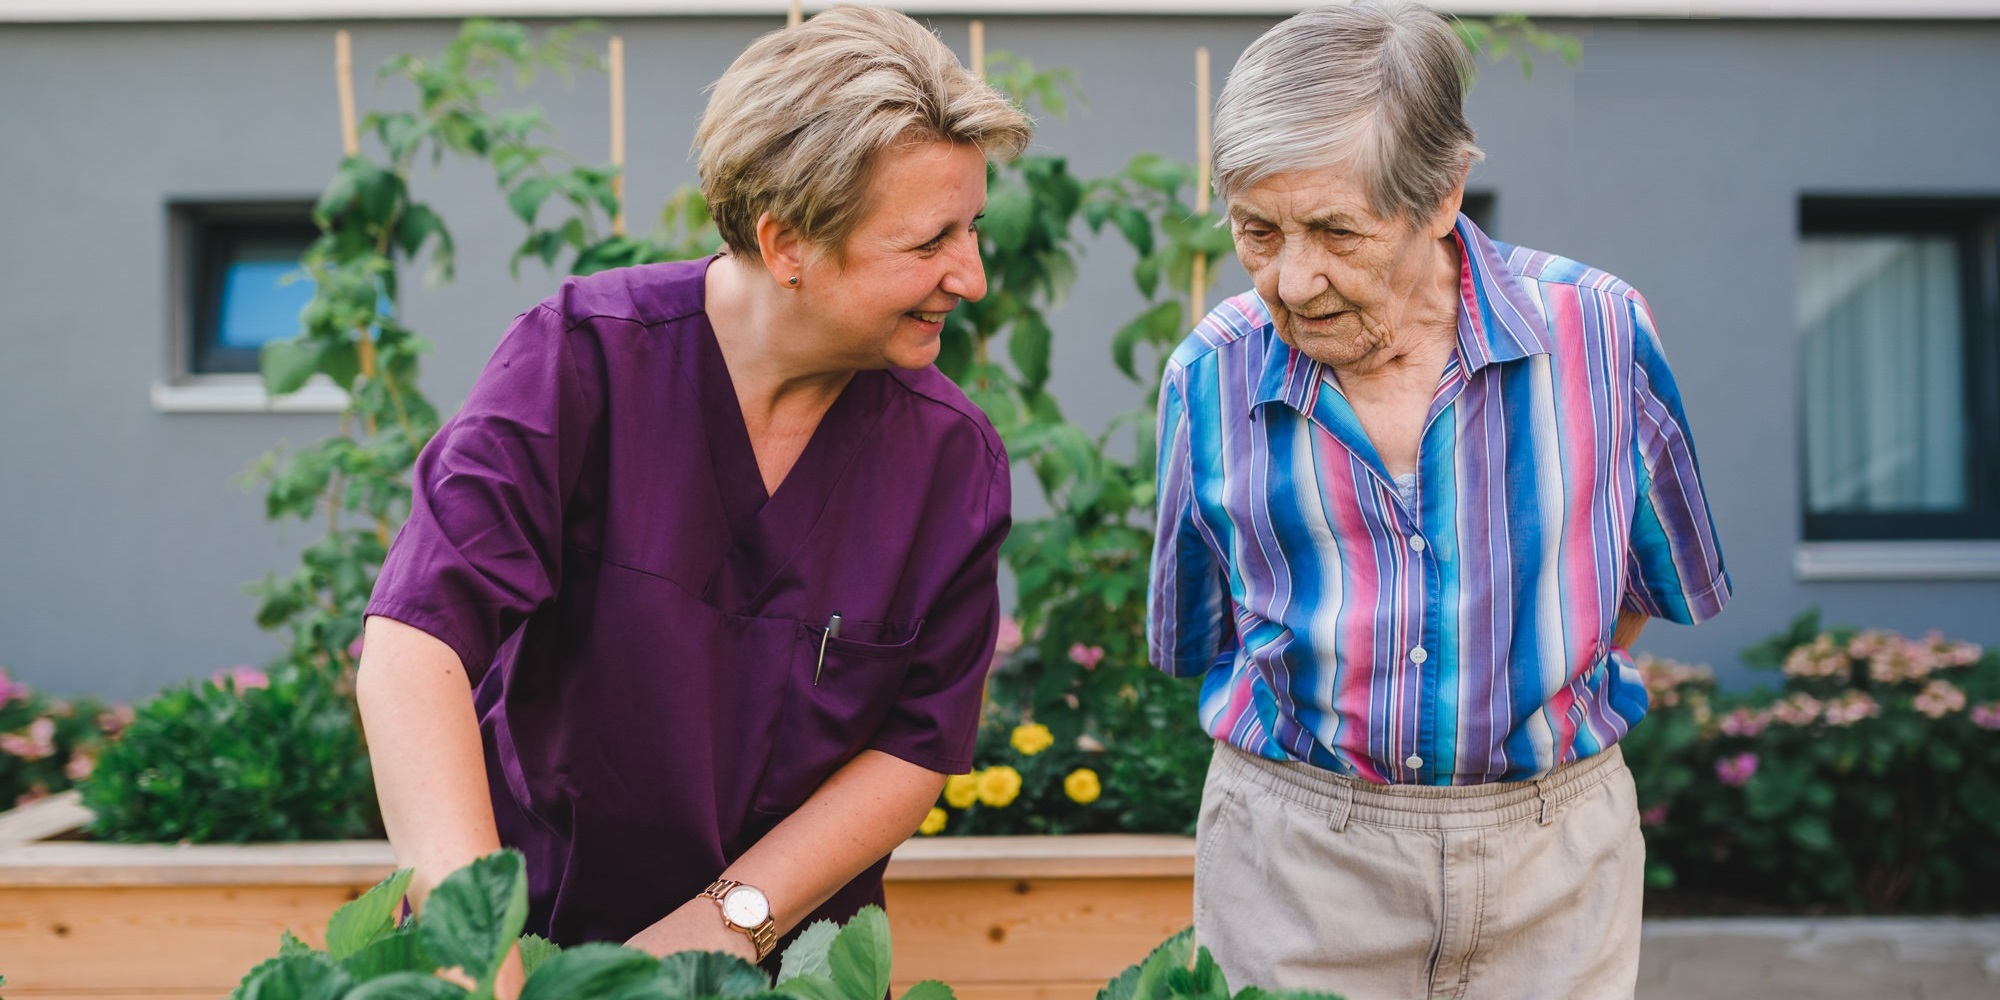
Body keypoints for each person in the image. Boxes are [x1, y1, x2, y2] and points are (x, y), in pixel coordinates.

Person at [355, 5, 1030, 985]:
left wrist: (708, 939)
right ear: (787, 242)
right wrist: (481, 953)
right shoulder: (579, 364)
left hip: (778, 962)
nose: (968, 276)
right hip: (528, 947)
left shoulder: (950, 463)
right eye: (927, 243)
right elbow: (416, 645)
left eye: (970, 228)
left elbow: (911, 750)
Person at [1147, 4, 1730, 999]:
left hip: (1555, 857)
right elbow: (1196, 632)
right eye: (1257, 230)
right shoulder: (1208, 375)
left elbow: (1644, 584)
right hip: (1293, 861)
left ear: (1442, 193)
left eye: (1335, 229)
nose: (1292, 278)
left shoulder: (1600, 337)